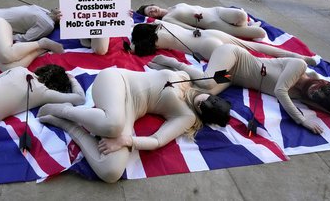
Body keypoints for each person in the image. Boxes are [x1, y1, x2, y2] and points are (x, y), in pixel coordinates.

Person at [148, 45, 330, 151]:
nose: (308, 95)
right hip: (234, 57)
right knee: (208, 81)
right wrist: (301, 120)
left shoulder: (309, 95)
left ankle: (169, 69)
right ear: (320, 82)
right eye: (312, 91)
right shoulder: (298, 66)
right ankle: (171, 62)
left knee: (209, 92)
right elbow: (279, 91)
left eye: (313, 98)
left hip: (234, 77)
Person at [37, 67, 231, 183]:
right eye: (209, 101)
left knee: (111, 172)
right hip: (117, 81)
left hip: (128, 110)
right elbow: (225, 75)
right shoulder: (189, 78)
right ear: (213, 96)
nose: (201, 104)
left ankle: (69, 126)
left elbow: (157, 140)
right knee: (112, 124)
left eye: (204, 109)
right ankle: (61, 110)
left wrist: (125, 140)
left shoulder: (188, 116)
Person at [130, 20, 312, 61]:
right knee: (254, 46)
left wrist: (131, 44)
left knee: (252, 61)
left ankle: (291, 63)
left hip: (206, 46)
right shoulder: (162, 26)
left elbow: (138, 49)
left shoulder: (157, 40)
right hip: (210, 34)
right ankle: (300, 57)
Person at [136, 3, 266, 39]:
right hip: (213, 24)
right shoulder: (167, 19)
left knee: (240, 15)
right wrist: (200, 32)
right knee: (261, 33)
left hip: (216, 11)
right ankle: (247, 27)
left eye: (151, 8)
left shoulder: (173, 6)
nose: (153, 10)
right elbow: (185, 28)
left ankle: (244, 25)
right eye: (150, 12)